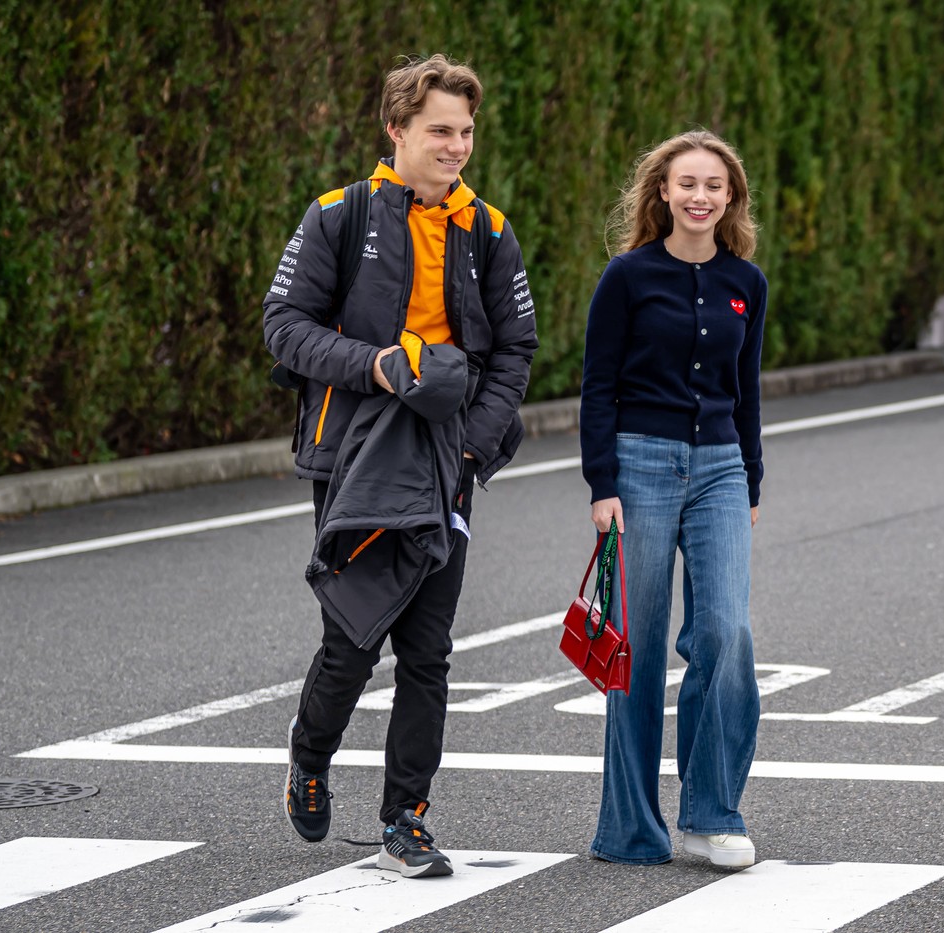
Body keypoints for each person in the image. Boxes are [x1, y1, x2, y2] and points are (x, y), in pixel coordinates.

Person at [262, 54, 538, 879]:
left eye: (466, 132)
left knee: (430, 646)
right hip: (351, 458)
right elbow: (284, 325)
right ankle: (310, 758)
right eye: (440, 131)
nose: (457, 146)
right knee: (353, 638)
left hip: (446, 458)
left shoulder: (487, 228)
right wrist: (377, 366)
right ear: (397, 130)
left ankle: (405, 818)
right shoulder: (338, 216)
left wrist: (469, 444)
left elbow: (517, 350)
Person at [578, 130, 767, 869]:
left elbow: (745, 390)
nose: (699, 196)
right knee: (637, 651)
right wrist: (603, 485)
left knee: (726, 631)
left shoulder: (745, 282)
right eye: (686, 183)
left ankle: (711, 814)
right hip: (640, 466)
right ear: (662, 192)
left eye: (714, 186)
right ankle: (629, 829)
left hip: (721, 468)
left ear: (730, 198)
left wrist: (751, 478)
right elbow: (598, 386)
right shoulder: (627, 276)